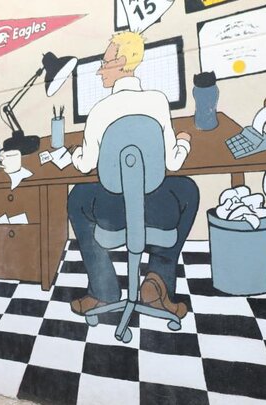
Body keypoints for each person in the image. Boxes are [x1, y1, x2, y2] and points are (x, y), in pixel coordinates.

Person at [68, 31, 199, 319]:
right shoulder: (157, 101)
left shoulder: (99, 111)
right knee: (188, 190)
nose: (100, 70)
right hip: (157, 210)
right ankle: (158, 283)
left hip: (112, 213)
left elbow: (84, 164)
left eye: (105, 63)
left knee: (78, 196)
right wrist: (185, 141)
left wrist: (74, 154)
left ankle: (103, 292)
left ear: (123, 62)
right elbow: (174, 163)